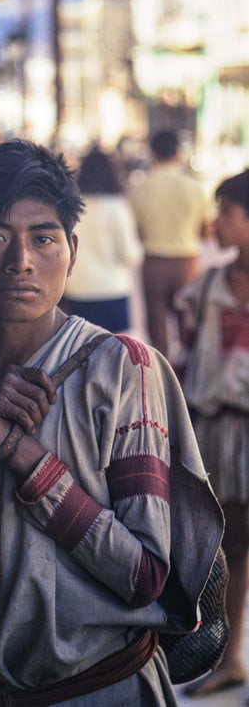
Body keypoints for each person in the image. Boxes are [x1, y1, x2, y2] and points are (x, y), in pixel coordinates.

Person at [0, 139, 223, 706]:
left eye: (44, 238)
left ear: (72, 250)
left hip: (100, 691)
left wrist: (19, 452)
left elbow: (144, 578)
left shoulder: (122, 369)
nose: (21, 261)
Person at [175, 168, 249, 698]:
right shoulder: (206, 287)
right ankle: (229, 656)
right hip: (220, 434)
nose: (216, 221)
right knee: (231, 544)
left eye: (226, 210)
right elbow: (184, 353)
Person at [128, 129, 210, 361]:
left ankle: (163, 375)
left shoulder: (140, 188)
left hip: (154, 262)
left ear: (152, 152)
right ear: (178, 151)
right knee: (189, 323)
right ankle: (190, 374)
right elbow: (205, 231)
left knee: (156, 324)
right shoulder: (196, 187)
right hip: (188, 263)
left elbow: (136, 230)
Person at [62, 145, 143, 333]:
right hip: (112, 290)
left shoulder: (72, 209)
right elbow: (130, 255)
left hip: (77, 290)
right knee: (115, 355)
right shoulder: (117, 207)